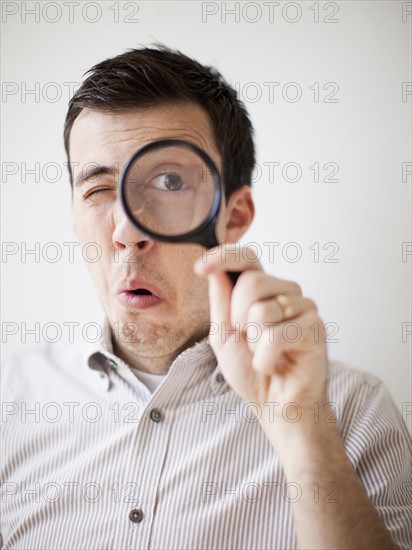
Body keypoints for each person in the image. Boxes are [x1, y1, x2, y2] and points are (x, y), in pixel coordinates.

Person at [1, 45, 411, 550]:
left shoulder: (352, 410)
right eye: (98, 189)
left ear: (232, 216)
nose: (127, 231)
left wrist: (303, 433)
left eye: (169, 181)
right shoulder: (10, 400)